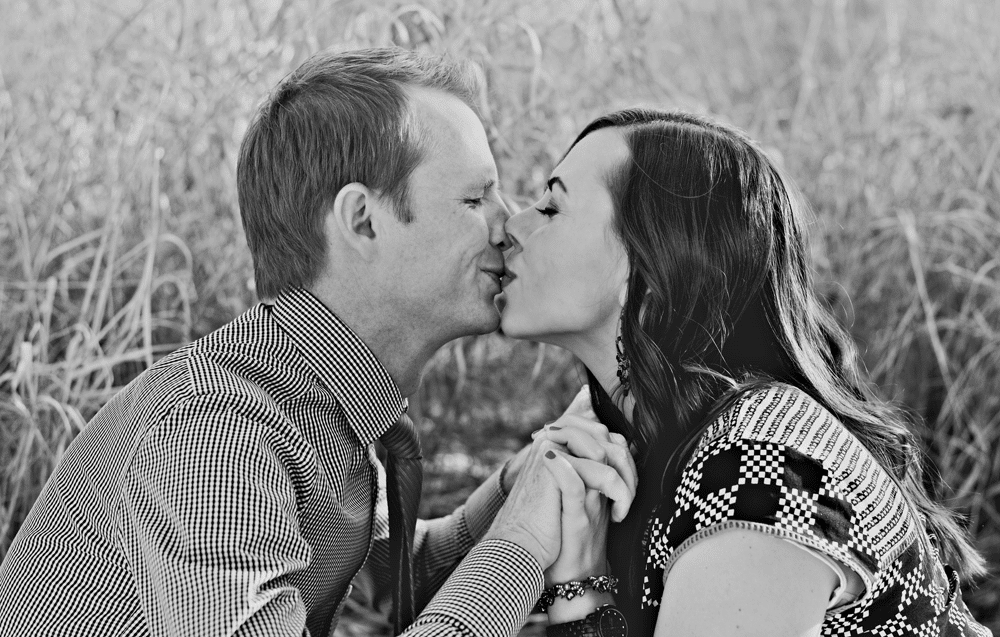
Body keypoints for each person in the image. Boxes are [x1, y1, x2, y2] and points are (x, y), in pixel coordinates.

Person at [0, 49, 638, 636]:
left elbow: (391, 568)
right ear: (363, 220)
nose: (510, 225)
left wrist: (513, 486)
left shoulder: (311, 401)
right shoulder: (212, 432)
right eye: (476, 197)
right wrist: (521, 541)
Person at [504, 109, 991, 636]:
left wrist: (580, 592)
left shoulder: (761, 465)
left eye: (551, 207)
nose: (512, 225)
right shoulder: (631, 431)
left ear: (652, 264)